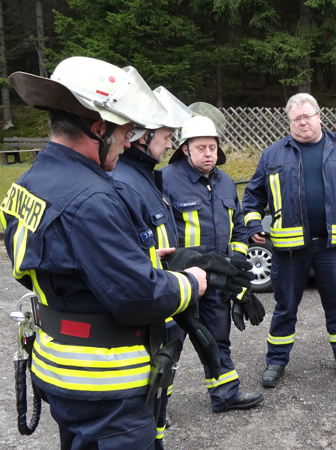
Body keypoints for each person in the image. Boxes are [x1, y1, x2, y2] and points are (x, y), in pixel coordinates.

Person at [1, 57, 210, 448]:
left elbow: (65, 265)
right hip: (106, 384)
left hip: (61, 369)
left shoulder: (30, 182)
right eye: (125, 132)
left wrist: (142, 260)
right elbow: (138, 298)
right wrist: (189, 282)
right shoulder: (92, 198)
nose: (129, 143)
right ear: (98, 129)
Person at [242, 93, 336, 386]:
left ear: (319, 116)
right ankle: (275, 362)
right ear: (289, 121)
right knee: (285, 308)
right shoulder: (272, 154)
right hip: (288, 251)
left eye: (307, 116)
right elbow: (252, 197)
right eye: (296, 118)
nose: (302, 122)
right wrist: (253, 224)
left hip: (332, 248)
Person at [161, 114, 266, 413]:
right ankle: (157, 407)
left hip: (217, 280)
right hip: (179, 280)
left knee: (218, 338)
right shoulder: (165, 180)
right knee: (168, 343)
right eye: (201, 148)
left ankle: (225, 394)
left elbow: (239, 227)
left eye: (213, 147)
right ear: (185, 148)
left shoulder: (226, 182)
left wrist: (235, 269)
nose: (209, 154)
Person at [111, 86, 192, 446]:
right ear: (143, 137)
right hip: (147, 311)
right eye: (166, 136)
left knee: (160, 389)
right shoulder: (123, 182)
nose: (169, 143)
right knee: (147, 398)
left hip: (162, 303)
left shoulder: (142, 175)